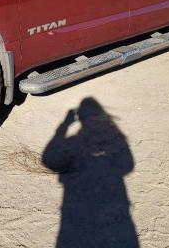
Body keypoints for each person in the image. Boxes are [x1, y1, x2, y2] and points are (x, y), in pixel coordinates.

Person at [42, 97, 138, 247]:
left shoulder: (75, 141)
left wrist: (65, 125)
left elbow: (47, 160)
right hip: (115, 211)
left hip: (77, 214)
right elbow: (128, 165)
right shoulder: (115, 140)